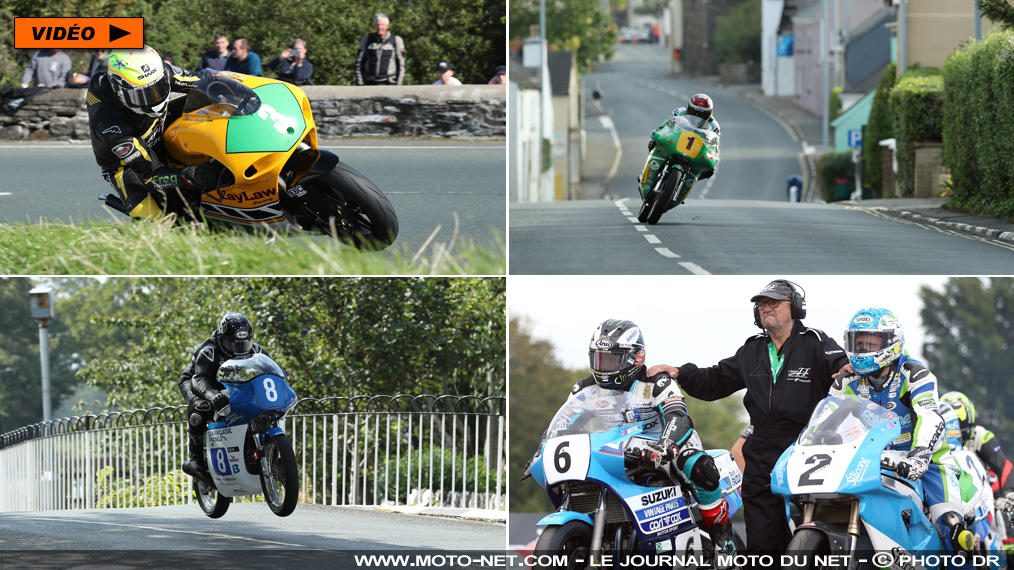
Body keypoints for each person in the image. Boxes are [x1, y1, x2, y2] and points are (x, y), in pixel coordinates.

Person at [647, 279, 849, 555]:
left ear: (796, 307)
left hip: (806, 444)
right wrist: (681, 373)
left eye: (774, 302)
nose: (767, 308)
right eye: (762, 304)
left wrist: (846, 369)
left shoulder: (816, 342)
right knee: (762, 542)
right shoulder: (752, 350)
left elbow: (841, 364)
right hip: (761, 448)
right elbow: (716, 379)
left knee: (811, 528)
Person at [534, 320, 738, 562]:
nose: (604, 366)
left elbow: (678, 416)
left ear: (634, 358)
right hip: (614, 450)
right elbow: (562, 425)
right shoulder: (583, 390)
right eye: (599, 359)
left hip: (666, 444)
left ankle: (722, 537)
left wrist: (666, 445)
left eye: (611, 359)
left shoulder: (657, 382)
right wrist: (542, 451)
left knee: (695, 463)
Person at [825, 307, 977, 558]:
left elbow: (929, 414)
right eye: (858, 342)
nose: (863, 349)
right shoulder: (846, 381)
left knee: (951, 528)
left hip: (926, 462)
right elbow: (826, 421)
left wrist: (919, 455)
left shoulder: (914, 373)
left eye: (870, 342)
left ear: (892, 342)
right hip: (870, 461)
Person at [87, 45, 222, 220]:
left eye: (158, 88)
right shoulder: (110, 123)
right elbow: (152, 175)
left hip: (156, 127)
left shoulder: (156, 71)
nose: (154, 100)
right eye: (141, 96)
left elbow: (202, 80)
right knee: (156, 218)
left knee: (204, 105)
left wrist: (244, 91)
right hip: (126, 163)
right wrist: (192, 175)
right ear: (121, 91)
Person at [179, 313, 269, 477]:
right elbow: (198, 379)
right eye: (233, 345)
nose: (238, 350)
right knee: (201, 408)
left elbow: (273, 371)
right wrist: (212, 395)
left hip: (230, 385)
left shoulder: (256, 350)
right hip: (199, 383)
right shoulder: (209, 351)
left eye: (243, 345)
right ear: (221, 338)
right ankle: (195, 457)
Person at [940, 390, 1014, 547]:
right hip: (950, 486)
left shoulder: (981, 435)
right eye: (950, 429)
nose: (957, 437)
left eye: (960, 431)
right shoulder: (934, 440)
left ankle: (1010, 549)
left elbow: (1004, 465)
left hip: (983, 491)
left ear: (970, 426)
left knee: (1005, 508)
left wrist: (1008, 493)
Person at [639, 93, 721, 200]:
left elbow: (714, 147)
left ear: (709, 114)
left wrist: (713, 162)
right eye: (694, 112)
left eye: (702, 115)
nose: (697, 117)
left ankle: (682, 187)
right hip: (676, 141)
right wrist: (656, 134)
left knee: (708, 171)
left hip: (695, 151)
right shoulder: (679, 112)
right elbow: (664, 125)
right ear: (689, 109)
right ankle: (650, 171)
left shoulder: (714, 126)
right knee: (653, 144)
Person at [355, 13, 406, 85]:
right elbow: (359, 62)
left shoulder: (396, 40)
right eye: (377, 25)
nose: (379, 27)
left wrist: (399, 84)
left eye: (382, 25)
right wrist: (360, 83)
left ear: (387, 26)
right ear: (374, 26)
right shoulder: (367, 39)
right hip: (370, 82)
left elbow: (401, 64)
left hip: (389, 82)